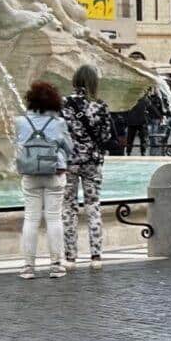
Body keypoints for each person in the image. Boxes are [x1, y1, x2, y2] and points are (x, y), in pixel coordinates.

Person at [13, 81, 71, 280]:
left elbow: (17, 145)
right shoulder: (58, 123)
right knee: (54, 218)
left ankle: (28, 267)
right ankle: (56, 265)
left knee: (31, 219)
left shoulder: (20, 122)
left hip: (30, 174)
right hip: (54, 173)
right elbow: (69, 148)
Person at [62, 66, 113, 265]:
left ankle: (70, 256)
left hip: (70, 162)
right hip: (93, 161)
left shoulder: (64, 104)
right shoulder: (100, 106)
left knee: (68, 207)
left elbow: (59, 132)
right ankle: (96, 256)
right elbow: (106, 136)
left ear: (75, 81)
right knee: (93, 206)